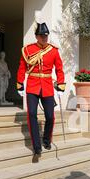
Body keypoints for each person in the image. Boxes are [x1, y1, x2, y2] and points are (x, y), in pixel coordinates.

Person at [16, 11, 65, 158]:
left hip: (48, 86)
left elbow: (60, 69)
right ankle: (37, 147)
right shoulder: (28, 50)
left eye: (46, 36)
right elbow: (21, 67)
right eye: (42, 36)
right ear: (37, 36)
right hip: (32, 85)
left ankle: (46, 139)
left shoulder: (54, 50)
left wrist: (61, 85)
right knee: (31, 114)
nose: (44, 38)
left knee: (50, 116)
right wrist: (20, 84)